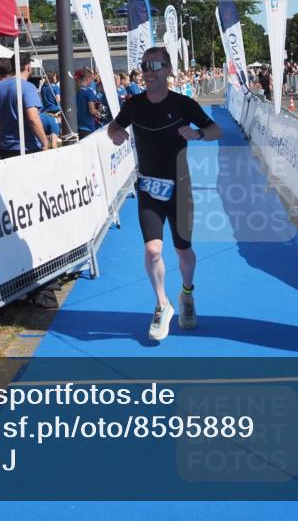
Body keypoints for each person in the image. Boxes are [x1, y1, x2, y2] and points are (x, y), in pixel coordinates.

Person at [106, 48, 221, 341]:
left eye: (155, 65)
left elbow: (216, 129)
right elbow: (113, 127)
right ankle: (162, 303)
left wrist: (198, 134)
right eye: (144, 66)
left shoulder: (183, 103)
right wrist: (115, 134)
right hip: (148, 189)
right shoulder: (134, 104)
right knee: (153, 250)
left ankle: (187, 294)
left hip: (181, 189)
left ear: (169, 69)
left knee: (183, 250)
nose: (149, 70)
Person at [0, 53, 49, 158]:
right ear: (28, 67)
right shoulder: (28, 87)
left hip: (6, 147)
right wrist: (44, 141)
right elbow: (32, 118)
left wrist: (0, 140)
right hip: (27, 147)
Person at [76, 69, 102, 139]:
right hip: (88, 127)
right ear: (87, 78)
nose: (92, 81)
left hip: (78, 125)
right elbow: (92, 111)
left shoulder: (77, 91)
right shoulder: (89, 92)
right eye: (91, 79)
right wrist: (100, 111)